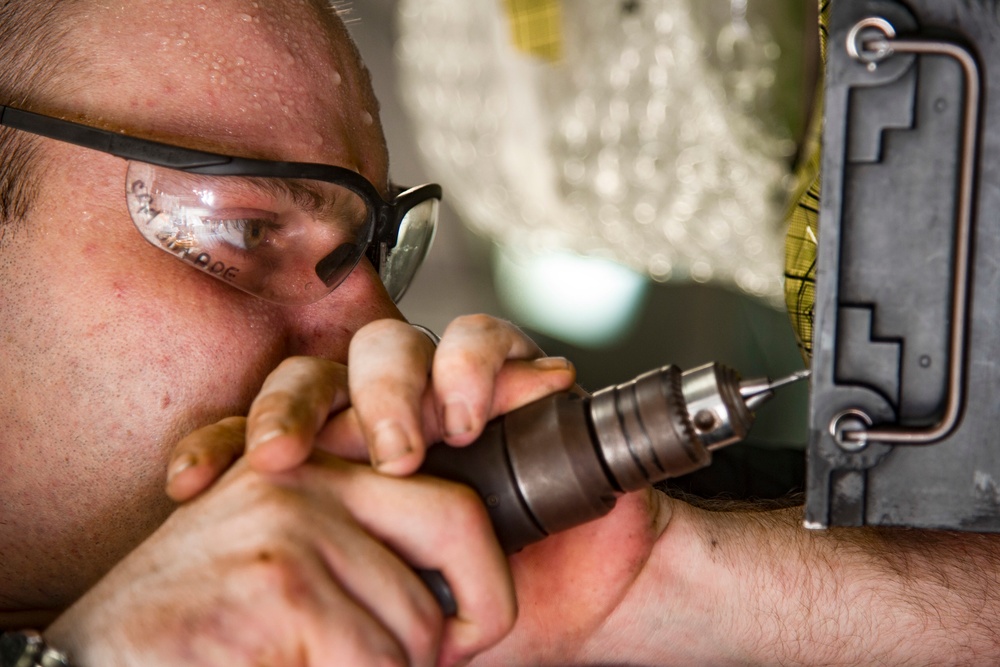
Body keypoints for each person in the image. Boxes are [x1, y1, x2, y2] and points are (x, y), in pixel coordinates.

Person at [1, 1, 999, 665]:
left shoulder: (502, 569)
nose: (382, 337)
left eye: (376, 253)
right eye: (242, 228)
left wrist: (683, 586)